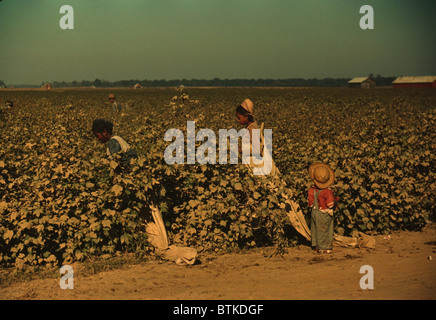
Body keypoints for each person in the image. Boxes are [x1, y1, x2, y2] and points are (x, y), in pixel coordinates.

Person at [236, 99, 280, 176]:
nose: (238, 120)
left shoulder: (253, 129)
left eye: (239, 118)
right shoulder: (251, 127)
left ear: (246, 116)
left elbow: (257, 150)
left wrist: (241, 150)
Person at [308, 162, 339, 254]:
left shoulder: (312, 189)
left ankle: (316, 245)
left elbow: (310, 203)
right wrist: (336, 201)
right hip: (324, 213)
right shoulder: (327, 192)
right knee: (325, 230)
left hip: (314, 211)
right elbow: (330, 204)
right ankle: (324, 248)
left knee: (315, 229)